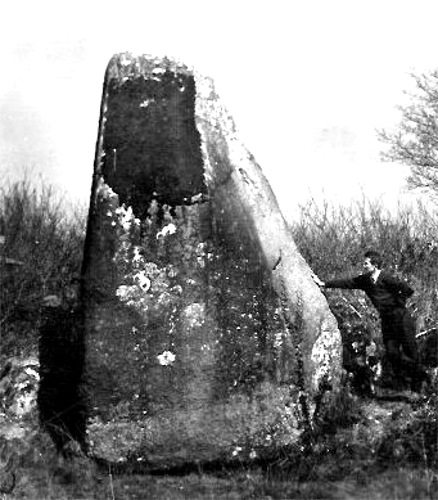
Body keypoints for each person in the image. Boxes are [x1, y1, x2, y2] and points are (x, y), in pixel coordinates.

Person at [313, 250, 429, 393]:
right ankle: (420, 373)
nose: (364, 265)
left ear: (375, 265)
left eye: (366, 263)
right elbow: (347, 282)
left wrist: (397, 304)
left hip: (401, 318)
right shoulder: (365, 281)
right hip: (387, 321)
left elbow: (407, 290)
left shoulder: (386, 278)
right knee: (392, 354)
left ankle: (417, 387)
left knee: (411, 351)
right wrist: (324, 284)